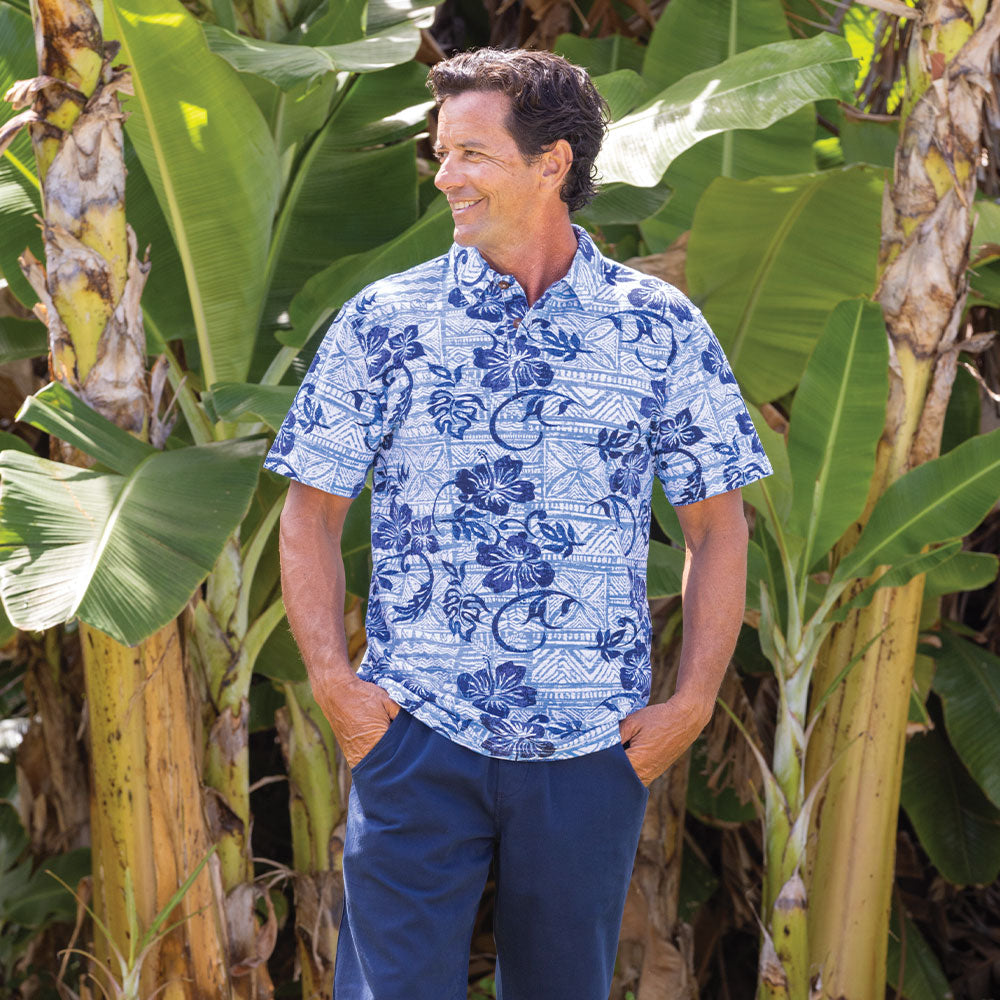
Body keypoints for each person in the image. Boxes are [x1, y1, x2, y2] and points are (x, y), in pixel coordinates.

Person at [266, 47, 771, 1000]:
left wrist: (692, 704)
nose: (445, 175)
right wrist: (339, 690)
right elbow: (311, 514)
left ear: (554, 163)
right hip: (414, 733)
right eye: (441, 151)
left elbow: (718, 527)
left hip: (591, 745)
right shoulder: (386, 321)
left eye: (472, 154)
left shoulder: (658, 327)